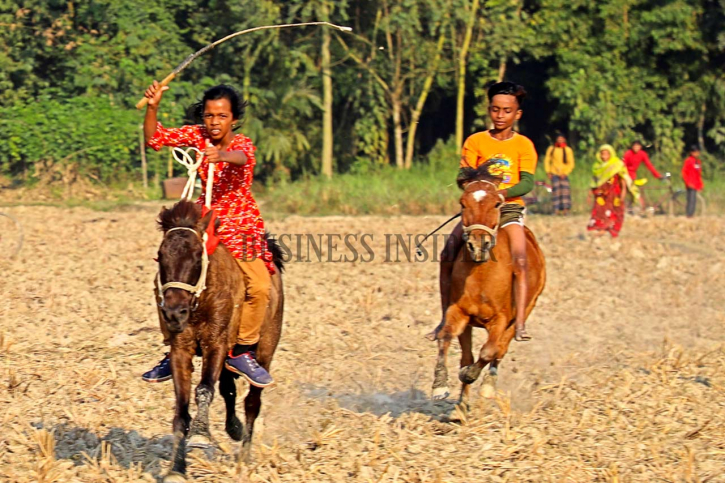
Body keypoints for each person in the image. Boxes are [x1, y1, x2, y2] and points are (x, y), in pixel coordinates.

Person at [141, 81, 275, 388]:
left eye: (222, 116)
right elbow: (155, 139)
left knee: (260, 286)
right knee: (165, 280)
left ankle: (242, 351)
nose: (214, 122)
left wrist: (222, 156)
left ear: (234, 119)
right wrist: (153, 106)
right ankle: (172, 346)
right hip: (204, 223)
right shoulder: (197, 136)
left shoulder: (244, 144)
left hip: (241, 226)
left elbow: (242, 158)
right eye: (210, 115)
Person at [430, 81, 537, 342]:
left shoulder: (523, 145)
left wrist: (500, 194)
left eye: (507, 111)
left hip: (508, 209)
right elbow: (462, 176)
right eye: (495, 109)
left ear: (517, 114)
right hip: (477, 212)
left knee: (521, 260)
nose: (500, 116)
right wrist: (477, 192)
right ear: (489, 110)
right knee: (447, 253)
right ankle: (445, 318)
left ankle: (520, 322)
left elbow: (527, 182)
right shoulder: (475, 141)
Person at [587, 145, 631, 237]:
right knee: (600, 211)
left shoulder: (617, 164)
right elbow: (594, 182)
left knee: (616, 212)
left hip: (614, 193)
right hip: (602, 194)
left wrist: (623, 192)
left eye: (607, 154)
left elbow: (623, 179)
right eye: (602, 154)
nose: (604, 156)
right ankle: (602, 229)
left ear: (611, 154)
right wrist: (590, 193)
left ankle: (613, 231)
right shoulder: (597, 167)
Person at [544, 133, 575, 215]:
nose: (560, 140)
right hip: (554, 173)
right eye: (558, 139)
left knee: (565, 192)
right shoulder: (551, 149)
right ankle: (556, 211)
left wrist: (565, 173)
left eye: (562, 139)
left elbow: (571, 163)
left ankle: (566, 210)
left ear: (564, 140)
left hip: (564, 174)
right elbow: (547, 160)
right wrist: (548, 171)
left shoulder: (568, 150)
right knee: (556, 192)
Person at [682, 145, 704, 218]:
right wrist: (687, 182)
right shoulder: (688, 161)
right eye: (695, 152)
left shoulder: (698, 162)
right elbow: (684, 173)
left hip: (696, 183)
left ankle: (691, 214)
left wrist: (700, 184)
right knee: (690, 200)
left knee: (694, 200)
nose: (697, 153)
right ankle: (689, 215)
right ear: (691, 153)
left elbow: (699, 174)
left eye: (698, 152)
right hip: (690, 183)